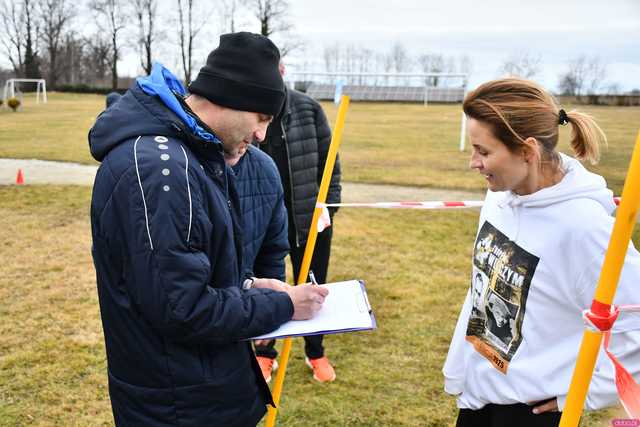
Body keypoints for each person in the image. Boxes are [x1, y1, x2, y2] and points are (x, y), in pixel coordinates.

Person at [88, 32, 329, 426]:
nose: (261, 135)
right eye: (262, 119)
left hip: (198, 390)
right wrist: (284, 306)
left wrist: (249, 286)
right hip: (178, 405)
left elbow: (184, 272)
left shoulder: (190, 155)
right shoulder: (161, 169)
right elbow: (182, 309)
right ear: (233, 99)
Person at [443, 78, 640, 427]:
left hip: (529, 413)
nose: (473, 162)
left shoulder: (587, 230)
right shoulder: (499, 196)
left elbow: (635, 327)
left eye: (484, 151)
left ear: (527, 151)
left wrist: (587, 392)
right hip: (479, 397)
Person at [253, 61, 342, 384]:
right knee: (269, 288)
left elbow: (331, 161)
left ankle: (315, 352)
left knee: (315, 287)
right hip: (265, 225)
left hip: (310, 221)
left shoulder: (308, 108)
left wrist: (329, 206)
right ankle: (265, 353)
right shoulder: (249, 111)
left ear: (281, 70)